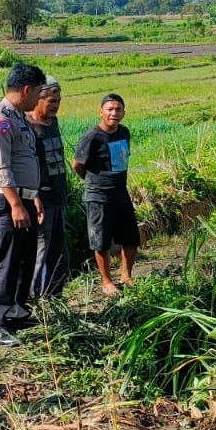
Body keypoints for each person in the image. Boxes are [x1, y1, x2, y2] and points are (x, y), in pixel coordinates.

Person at [0, 63, 46, 346]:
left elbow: (25, 161)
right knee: (5, 262)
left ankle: (16, 312)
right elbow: (1, 167)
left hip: (22, 199)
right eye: (39, 91)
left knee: (23, 259)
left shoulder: (19, 117)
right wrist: (17, 205)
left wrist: (33, 198)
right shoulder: (0, 119)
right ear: (27, 89)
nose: (40, 98)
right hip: (5, 202)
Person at [72, 93, 139, 296]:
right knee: (101, 241)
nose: (114, 113)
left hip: (120, 191)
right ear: (101, 112)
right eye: (109, 109)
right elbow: (77, 165)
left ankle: (126, 275)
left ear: (124, 112)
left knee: (131, 237)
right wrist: (94, 182)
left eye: (118, 109)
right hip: (98, 195)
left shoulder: (124, 132)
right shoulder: (92, 137)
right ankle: (106, 281)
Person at [28, 76, 69, 298]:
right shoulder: (27, 126)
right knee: (39, 253)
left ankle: (53, 298)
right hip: (40, 201)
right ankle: (32, 301)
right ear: (37, 99)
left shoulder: (53, 122)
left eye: (58, 100)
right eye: (51, 101)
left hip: (58, 197)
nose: (56, 105)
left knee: (59, 253)